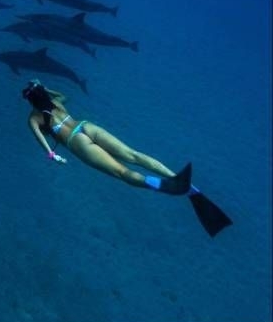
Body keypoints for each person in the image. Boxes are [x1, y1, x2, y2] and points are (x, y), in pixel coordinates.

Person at [22, 79, 232, 237]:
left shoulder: (33, 118)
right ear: (42, 92)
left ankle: (166, 185)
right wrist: (45, 88)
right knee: (135, 155)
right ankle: (180, 181)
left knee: (123, 172)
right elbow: (64, 95)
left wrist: (54, 156)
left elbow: (45, 145)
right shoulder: (56, 102)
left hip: (75, 142)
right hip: (85, 126)